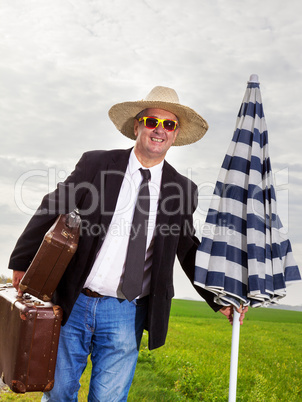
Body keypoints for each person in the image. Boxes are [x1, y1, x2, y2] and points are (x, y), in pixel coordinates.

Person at [9, 86, 247, 401]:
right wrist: (21, 263)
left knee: (108, 398)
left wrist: (219, 297)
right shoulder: (96, 165)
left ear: (175, 135)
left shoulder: (182, 189)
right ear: (137, 126)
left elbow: (187, 247)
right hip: (73, 301)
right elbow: (52, 206)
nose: (159, 130)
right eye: (152, 121)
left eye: (169, 124)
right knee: (59, 393)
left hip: (126, 313)